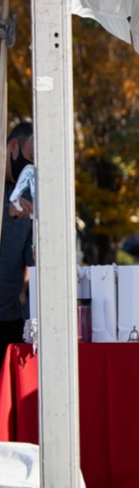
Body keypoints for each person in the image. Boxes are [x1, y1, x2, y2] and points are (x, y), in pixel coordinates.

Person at [0, 122, 34, 361]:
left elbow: (31, 258)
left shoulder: (29, 193)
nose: (32, 167)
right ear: (13, 146)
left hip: (10, 319)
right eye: (30, 157)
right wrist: (7, 214)